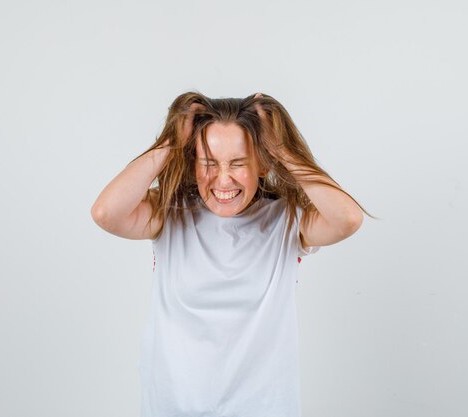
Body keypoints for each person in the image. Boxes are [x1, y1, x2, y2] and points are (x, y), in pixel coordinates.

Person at [91, 91, 374, 417]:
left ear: (263, 163)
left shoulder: (286, 220)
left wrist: (283, 150)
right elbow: (105, 214)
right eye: (209, 163)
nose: (222, 179)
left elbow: (348, 219)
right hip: (172, 407)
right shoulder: (169, 213)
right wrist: (170, 143)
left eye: (239, 163)